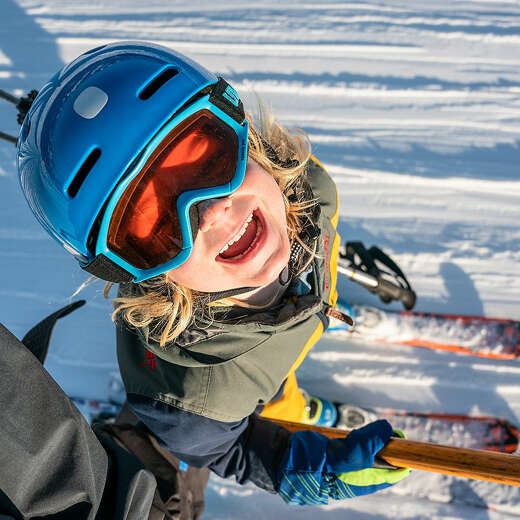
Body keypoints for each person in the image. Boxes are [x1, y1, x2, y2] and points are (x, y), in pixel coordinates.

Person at [16, 41, 409, 509]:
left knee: (275, 355)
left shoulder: (313, 189)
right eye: (154, 223)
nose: (212, 214)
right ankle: (296, 413)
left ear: (239, 127)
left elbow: (316, 221)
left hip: (293, 326)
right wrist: (291, 463)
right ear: (136, 269)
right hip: (258, 384)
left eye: (205, 157)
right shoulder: (198, 402)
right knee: (272, 392)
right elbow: (224, 448)